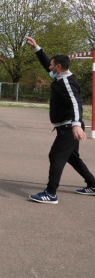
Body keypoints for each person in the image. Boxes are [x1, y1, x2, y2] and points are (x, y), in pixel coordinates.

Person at [26, 36, 95, 204]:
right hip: (67, 126)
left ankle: (51, 193)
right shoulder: (61, 77)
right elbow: (46, 64)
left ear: (58, 67)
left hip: (69, 127)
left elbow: (75, 103)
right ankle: (93, 185)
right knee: (71, 157)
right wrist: (37, 48)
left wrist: (77, 125)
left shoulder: (65, 82)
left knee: (55, 155)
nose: (48, 67)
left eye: (51, 65)